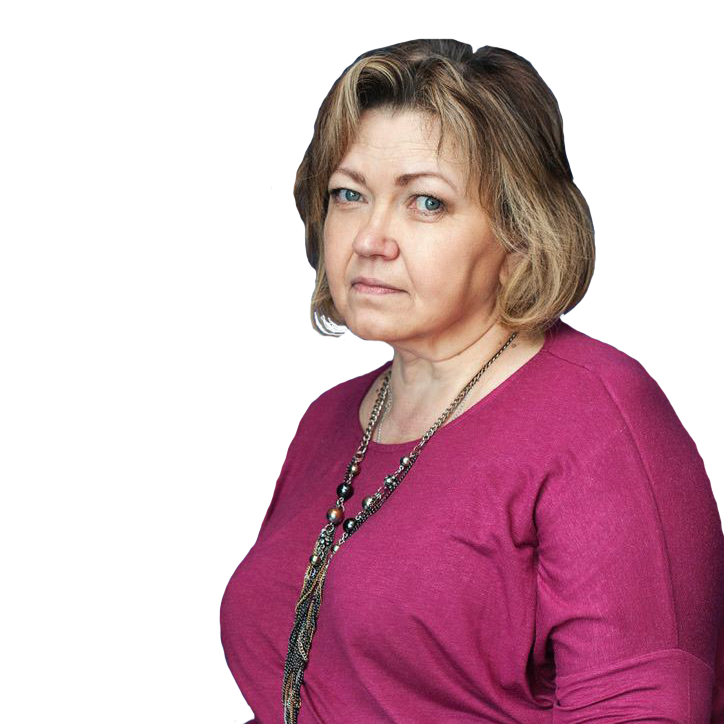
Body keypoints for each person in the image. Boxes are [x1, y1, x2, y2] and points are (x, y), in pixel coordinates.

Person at [219, 38, 724, 723]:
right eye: (349, 194)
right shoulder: (328, 420)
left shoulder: (600, 418)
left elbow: (638, 711)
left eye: (426, 202)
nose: (370, 239)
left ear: (520, 232)